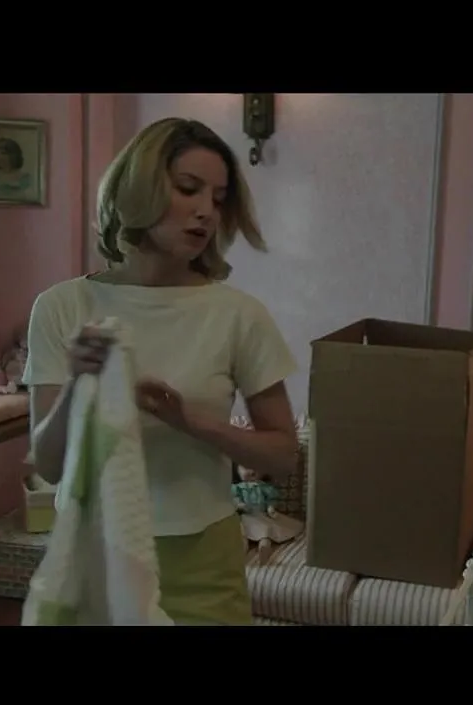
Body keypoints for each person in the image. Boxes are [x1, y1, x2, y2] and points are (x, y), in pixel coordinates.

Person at [23, 118, 299, 626]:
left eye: (218, 199)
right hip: (94, 554)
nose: (205, 211)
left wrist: (190, 422)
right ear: (138, 189)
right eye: (188, 189)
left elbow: (283, 454)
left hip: (201, 562)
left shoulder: (238, 315)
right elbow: (50, 465)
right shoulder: (63, 307)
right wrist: (77, 385)